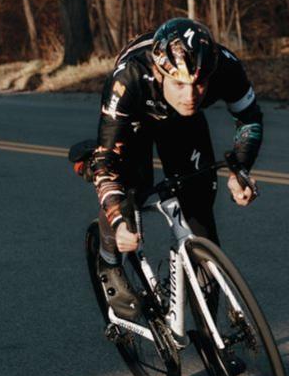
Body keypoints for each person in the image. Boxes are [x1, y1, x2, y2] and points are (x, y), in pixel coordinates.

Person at [87, 18, 263, 317]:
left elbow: (249, 118)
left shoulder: (225, 67)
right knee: (133, 192)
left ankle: (209, 333)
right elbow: (105, 164)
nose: (190, 96)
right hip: (135, 118)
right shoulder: (128, 79)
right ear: (159, 72)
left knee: (199, 212)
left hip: (183, 124)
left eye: (199, 84)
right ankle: (109, 261)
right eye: (179, 84)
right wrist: (118, 220)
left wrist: (240, 169)